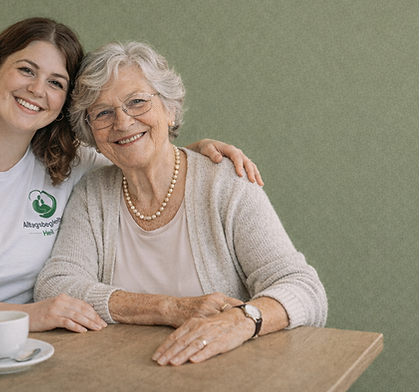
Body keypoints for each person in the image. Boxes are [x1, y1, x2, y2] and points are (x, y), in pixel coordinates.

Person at [0, 18, 262, 333]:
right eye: (26, 70)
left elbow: (134, 151)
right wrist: (28, 317)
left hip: (22, 345)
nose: (37, 89)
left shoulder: (68, 162)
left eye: (56, 82)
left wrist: (196, 150)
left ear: (64, 103)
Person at [34, 41, 327, 366]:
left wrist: (242, 321)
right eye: (102, 112)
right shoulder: (94, 192)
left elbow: (304, 289)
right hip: (122, 376)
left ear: (169, 109)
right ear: (90, 131)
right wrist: (168, 308)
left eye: (137, 102)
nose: (122, 121)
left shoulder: (224, 181)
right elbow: (55, 288)